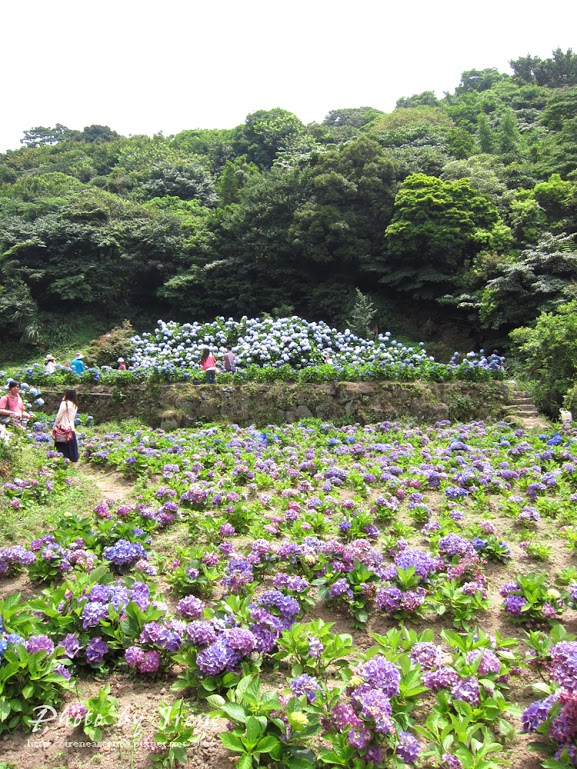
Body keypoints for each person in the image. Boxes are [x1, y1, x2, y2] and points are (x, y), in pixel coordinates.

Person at [53, 389, 79, 463]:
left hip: (63, 428)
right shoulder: (74, 405)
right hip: (71, 428)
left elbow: (59, 416)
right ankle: (72, 463)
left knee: (61, 447)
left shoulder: (65, 403)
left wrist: (54, 425)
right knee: (71, 448)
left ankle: (62, 461)